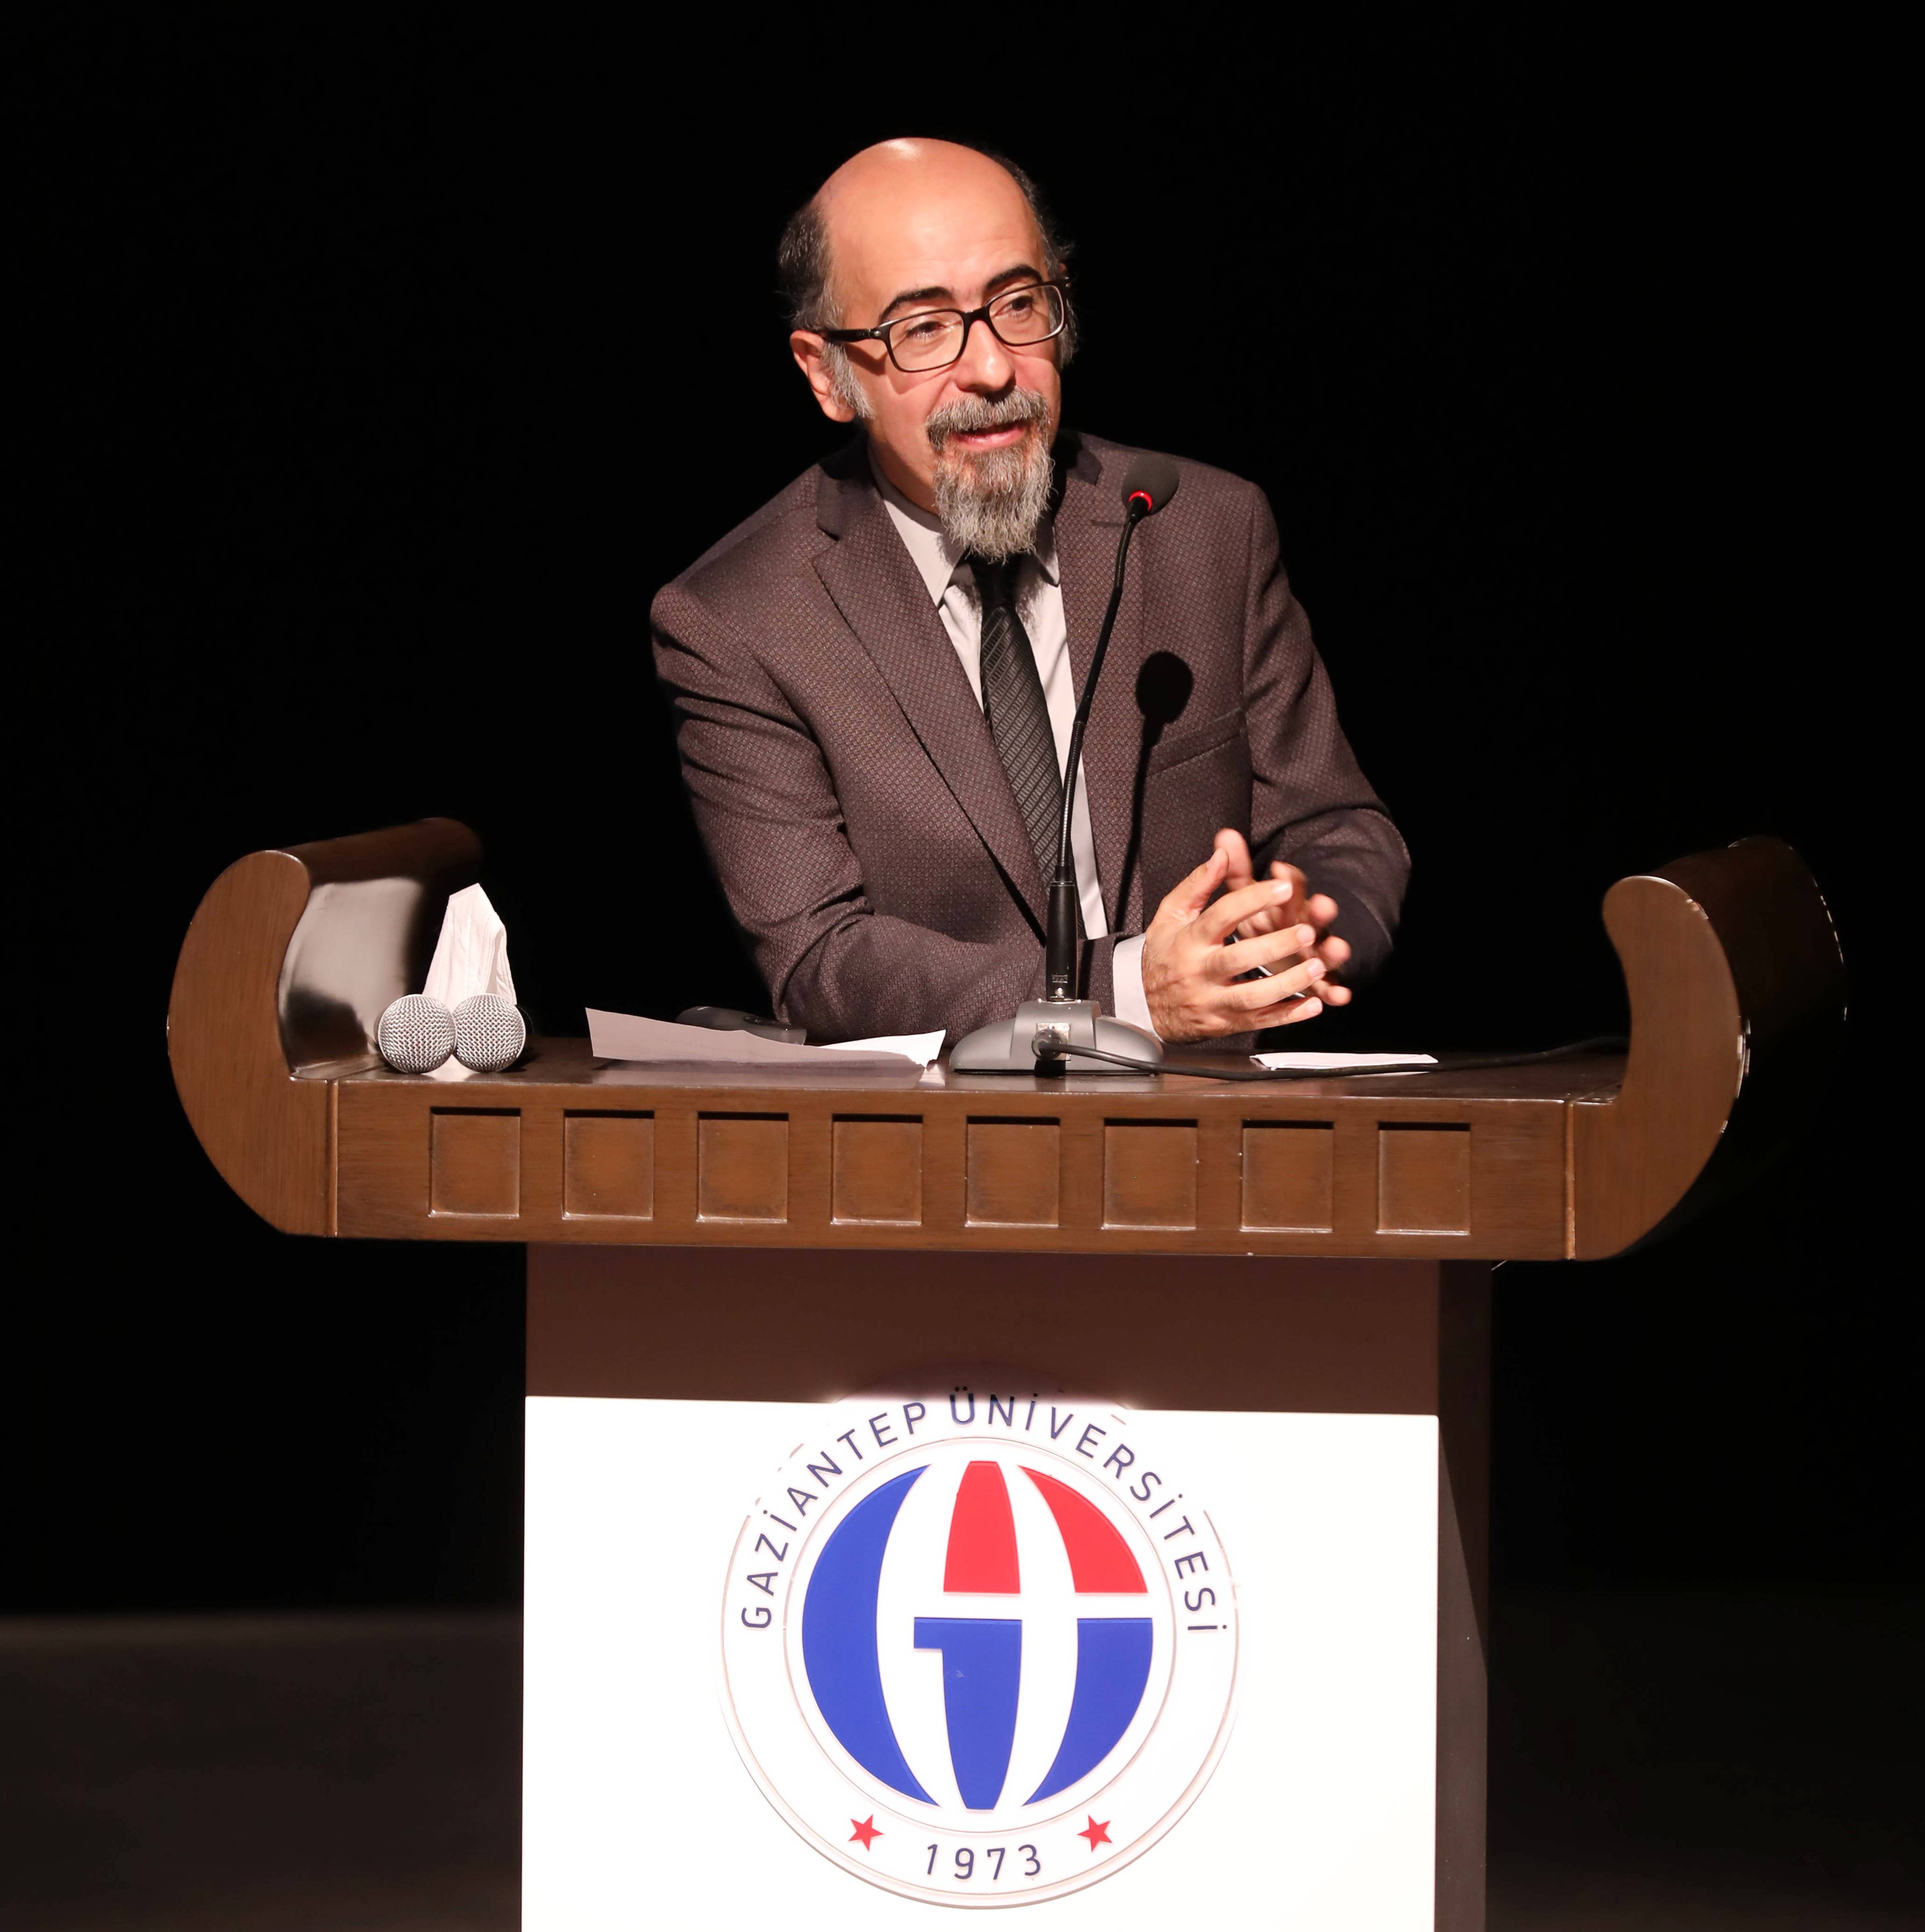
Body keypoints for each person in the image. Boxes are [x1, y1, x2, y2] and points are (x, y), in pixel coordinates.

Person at [651, 139, 1408, 1045]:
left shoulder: (1200, 529)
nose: (992, 370)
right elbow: (823, 961)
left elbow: (1335, 822)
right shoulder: (741, 618)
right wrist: (1127, 993)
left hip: (1218, 1108)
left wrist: (1310, 918)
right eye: (923, 329)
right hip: (951, 1124)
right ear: (826, 373)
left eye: (1018, 306)